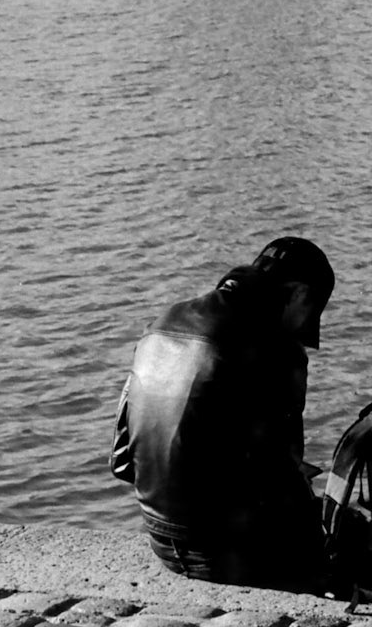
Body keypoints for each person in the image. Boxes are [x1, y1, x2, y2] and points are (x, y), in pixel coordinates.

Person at [110, 236, 335, 587]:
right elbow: (281, 476)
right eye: (310, 316)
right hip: (227, 554)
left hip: (161, 539)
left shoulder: (162, 322)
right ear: (300, 295)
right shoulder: (276, 349)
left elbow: (122, 462)